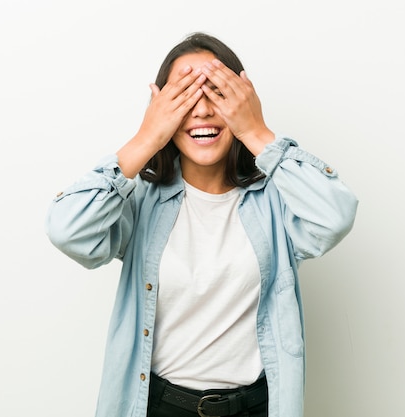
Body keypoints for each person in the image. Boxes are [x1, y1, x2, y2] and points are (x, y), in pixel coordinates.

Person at [45, 32, 358, 417]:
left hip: (256, 407)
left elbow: (336, 215)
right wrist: (146, 137)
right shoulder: (139, 198)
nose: (202, 110)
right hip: (159, 406)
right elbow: (67, 229)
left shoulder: (277, 199)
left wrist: (255, 132)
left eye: (216, 93)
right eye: (185, 96)